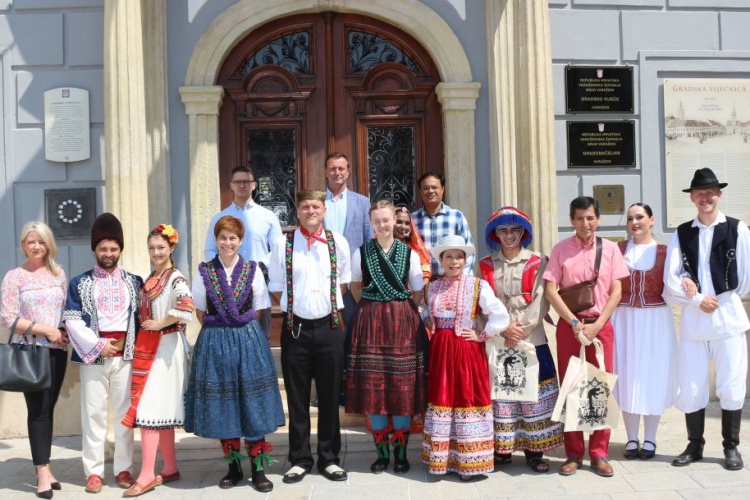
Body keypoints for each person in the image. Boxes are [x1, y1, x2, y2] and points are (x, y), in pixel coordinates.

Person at [185, 215, 285, 492]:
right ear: (215, 240)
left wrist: (238, 325)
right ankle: (233, 467)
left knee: (252, 404)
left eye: (233, 238)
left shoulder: (252, 269)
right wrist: (223, 326)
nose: (227, 242)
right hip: (215, 342)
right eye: (222, 237)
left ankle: (259, 468)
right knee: (224, 404)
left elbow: (261, 306)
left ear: (240, 241)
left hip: (247, 340)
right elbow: (200, 311)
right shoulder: (205, 271)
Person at [664, 168, 750, 471]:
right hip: (694, 320)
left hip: (727, 318)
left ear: (719, 194)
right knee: (691, 385)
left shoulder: (738, 229)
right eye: (699, 193)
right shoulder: (683, 232)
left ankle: (731, 447)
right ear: (691, 197)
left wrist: (721, 295)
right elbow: (670, 279)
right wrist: (698, 298)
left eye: (710, 192)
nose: (705, 197)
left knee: (731, 383)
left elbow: (746, 279)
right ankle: (695, 445)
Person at [268, 189, 351, 484]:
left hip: (329, 327)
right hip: (296, 329)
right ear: (298, 211)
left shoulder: (337, 242)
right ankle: (300, 458)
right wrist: (298, 308)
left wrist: (322, 306)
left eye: (316, 206)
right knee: (298, 398)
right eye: (305, 206)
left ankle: (329, 458)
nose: (310, 211)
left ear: (324, 210)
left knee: (329, 396)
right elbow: (277, 285)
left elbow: (342, 284)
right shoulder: (283, 243)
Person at [543, 197, 628, 478]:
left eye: (590, 218)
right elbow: (551, 290)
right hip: (570, 328)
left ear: (598, 219)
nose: (585, 224)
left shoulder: (611, 249)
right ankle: (573, 453)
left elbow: (616, 291)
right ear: (571, 220)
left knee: (601, 386)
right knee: (571, 387)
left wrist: (598, 324)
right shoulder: (560, 250)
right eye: (579, 218)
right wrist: (573, 322)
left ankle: (599, 453)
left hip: (601, 327)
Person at [63, 213, 144, 494]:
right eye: (103, 248)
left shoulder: (134, 282)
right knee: (93, 414)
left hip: (126, 356)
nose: (108, 254)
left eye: (113, 248)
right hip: (93, 356)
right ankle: (94, 472)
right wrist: (99, 345)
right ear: (94, 249)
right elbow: (72, 321)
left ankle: (123, 469)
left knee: (124, 415)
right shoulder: (79, 283)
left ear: (120, 249)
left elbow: (142, 318)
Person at [479, 206, 563, 473]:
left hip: (531, 337)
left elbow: (542, 299)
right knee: (503, 393)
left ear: (523, 232)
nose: (509, 235)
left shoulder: (538, 261)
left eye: (514, 229)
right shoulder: (485, 264)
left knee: (532, 395)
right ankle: (503, 450)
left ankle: (534, 451)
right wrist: (503, 329)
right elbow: (479, 304)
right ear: (495, 234)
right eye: (502, 230)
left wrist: (521, 329)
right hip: (499, 338)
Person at [345, 200, 427, 474]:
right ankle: (381, 453)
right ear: (371, 223)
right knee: (373, 388)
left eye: (386, 219)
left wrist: (398, 307)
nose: (382, 225)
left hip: (402, 324)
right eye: (377, 221)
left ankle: (401, 453)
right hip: (369, 322)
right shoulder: (362, 252)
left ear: (395, 221)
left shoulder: (409, 253)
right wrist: (375, 306)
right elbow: (355, 287)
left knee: (402, 388)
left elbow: (417, 291)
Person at [421, 235, 509, 481]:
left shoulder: (477, 285)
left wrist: (483, 335)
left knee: (466, 397)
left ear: (465, 259)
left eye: (459, 256)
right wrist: (428, 320)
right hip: (440, 351)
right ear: (441, 260)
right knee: (443, 397)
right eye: (449, 256)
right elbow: (424, 311)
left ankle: (469, 462)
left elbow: (500, 315)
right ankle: (444, 460)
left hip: (466, 350)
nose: (454, 261)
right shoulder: (432, 288)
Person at [120, 225, 194, 497]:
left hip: (166, 348)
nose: (156, 252)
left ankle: (147, 474)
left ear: (172, 248)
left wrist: (161, 322)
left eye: (161, 247)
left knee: (149, 410)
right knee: (159, 411)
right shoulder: (153, 276)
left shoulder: (175, 278)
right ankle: (171, 467)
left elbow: (186, 305)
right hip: (152, 347)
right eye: (152, 248)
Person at [1, 222, 68, 499]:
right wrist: (47, 330)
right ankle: (41, 471)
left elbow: (64, 310)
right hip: (31, 351)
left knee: (48, 408)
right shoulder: (14, 277)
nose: (36, 246)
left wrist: (62, 330)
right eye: (31, 242)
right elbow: (8, 319)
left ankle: (47, 467)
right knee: (38, 410)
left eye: (41, 241)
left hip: (57, 351)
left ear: (49, 244)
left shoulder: (58, 274)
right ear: (23, 245)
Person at [611, 203, 677, 461]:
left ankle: (650, 438)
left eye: (640, 217)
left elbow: (675, 283)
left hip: (655, 319)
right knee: (627, 375)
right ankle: (631, 438)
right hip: (624, 318)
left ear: (652, 219)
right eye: (630, 218)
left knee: (652, 376)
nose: (635, 222)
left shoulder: (665, 252)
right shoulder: (617, 250)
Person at [204, 166, 282, 338]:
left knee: (260, 336)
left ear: (253, 185)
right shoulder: (219, 218)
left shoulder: (268, 217)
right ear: (231, 186)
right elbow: (209, 250)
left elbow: (278, 250)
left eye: (246, 182)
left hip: (259, 281)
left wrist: (260, 265)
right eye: (238, 182)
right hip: (226, 285)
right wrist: (222, 270)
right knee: (228, 336)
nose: (242, 186)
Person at [323, 151, 373, 323]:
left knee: (353, 326)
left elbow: (369, 239)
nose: (337, 172)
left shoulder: (362, 202)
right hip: (322, 275)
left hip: (353, 278)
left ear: (348, 171)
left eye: (341, 168)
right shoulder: (316, 203)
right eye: (332, 168)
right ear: (325, 171)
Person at [411, 172, 475, 277]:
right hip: (422, 282)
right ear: (420, 192)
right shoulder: (412, 219)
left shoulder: (456, 217)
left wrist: (462, 279)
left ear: (442, 189)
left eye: (434, 187)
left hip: (451, 281)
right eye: (426, 188)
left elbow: (468, 250)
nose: (430, 191)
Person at [394, 204, 432, 287]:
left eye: (407, 223)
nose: (403, 226)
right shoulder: (381, 247)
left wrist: (417, 295)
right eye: (399, 222)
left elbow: (426, 272)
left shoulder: (416, 249)